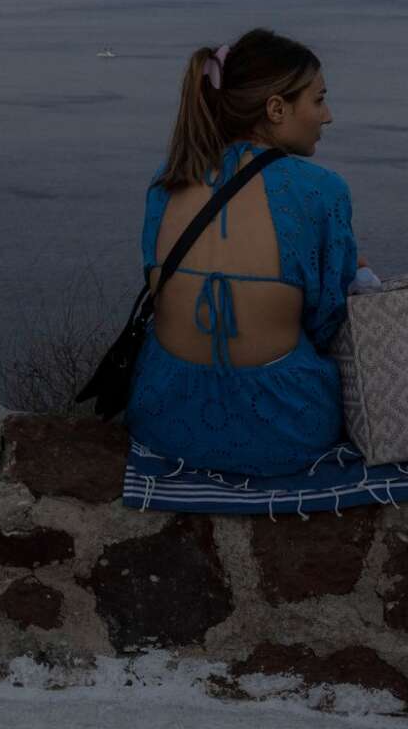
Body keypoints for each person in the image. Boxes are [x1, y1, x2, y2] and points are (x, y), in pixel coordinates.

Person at [126, 28, 366, 476]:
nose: (327, 115)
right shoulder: (320, 191)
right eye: (318, 100)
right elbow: (327, 319)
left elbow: (156, 283)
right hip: (284, 428)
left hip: (164, 416)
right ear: (276, 108)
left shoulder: (169, 180)